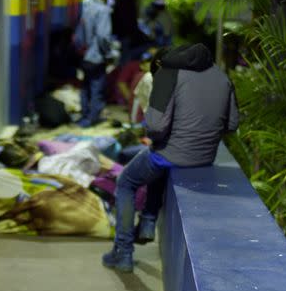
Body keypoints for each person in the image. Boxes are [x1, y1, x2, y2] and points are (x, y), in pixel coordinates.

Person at [102, 43, 239, 273]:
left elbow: (156, 127)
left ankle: (123, 252)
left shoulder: (168, 73)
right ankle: (146, 222)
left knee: (126, 181)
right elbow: (232, 123)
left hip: (171, 155)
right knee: (155, 161)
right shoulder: (221, 76)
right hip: (205, 158)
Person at [73, 0, 114, 128]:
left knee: (86, 86)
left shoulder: (86, 8)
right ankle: (93, 118)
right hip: (96, 55)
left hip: (84, 54)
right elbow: (103, 36)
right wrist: (109, 53)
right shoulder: (103, 10)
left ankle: (85, 116)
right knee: (97, 87)